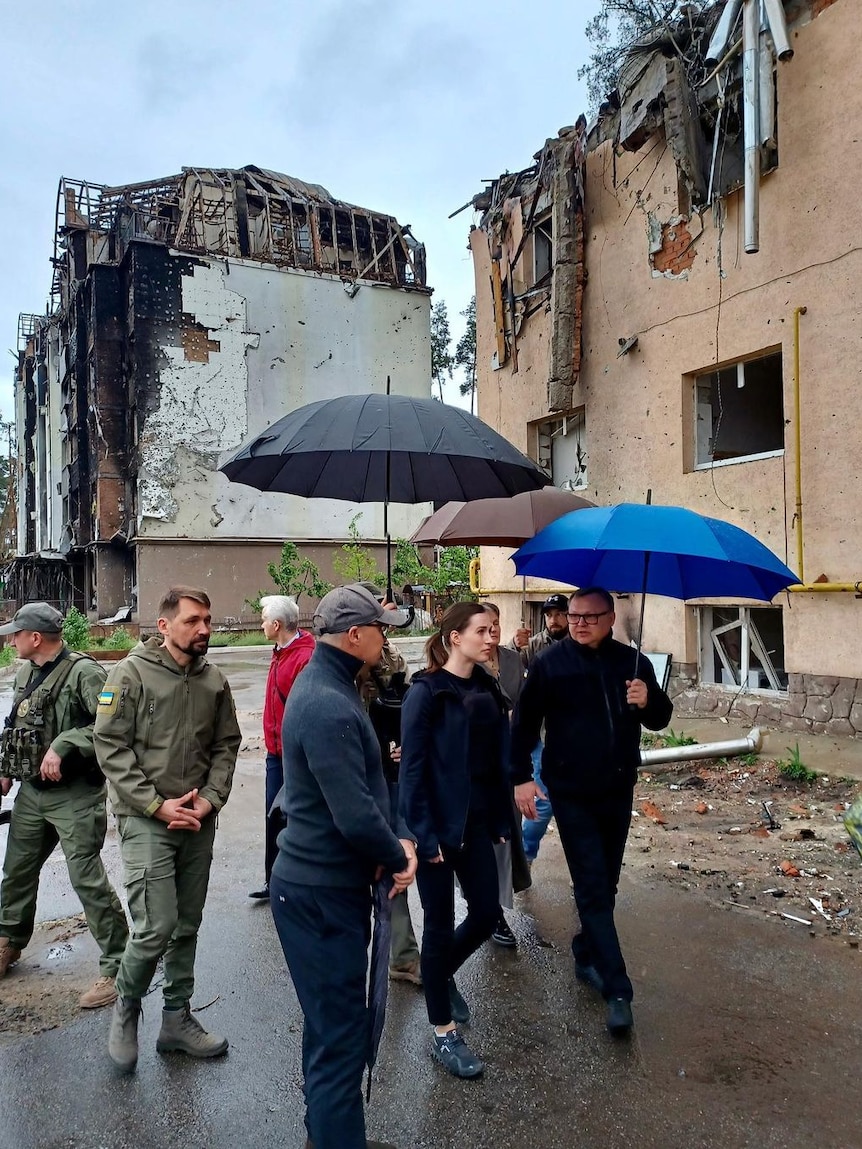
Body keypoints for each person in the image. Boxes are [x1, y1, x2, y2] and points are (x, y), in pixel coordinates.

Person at [270, 583, 417, 1149]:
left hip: (321, 888)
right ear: (355, 635)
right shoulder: (328, 702)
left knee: (330, 1028)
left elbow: (361, 789)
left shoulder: (332, 686)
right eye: (382, 629)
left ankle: (328, 1137)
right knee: (340, 1040)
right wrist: (396, 855)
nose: (387, 639)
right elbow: (353, 815)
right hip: (321, 894)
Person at [511, 587, 673, 1036]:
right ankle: (618, 989)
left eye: (588, 616)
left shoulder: (633, 662)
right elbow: (523, 723)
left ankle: (585, 949)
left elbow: (660, 719)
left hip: (617, 786)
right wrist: (521, 776)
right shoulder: (550, 663)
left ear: (610, 616)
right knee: (590, 881)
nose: (578, 622)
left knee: (607, 881)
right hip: (570, 789)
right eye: (573, 615)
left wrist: (649, 700)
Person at [94, 586, 241, 1071]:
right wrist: (155, 805)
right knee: (156, 925)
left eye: (208, 620)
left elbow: (226, 745)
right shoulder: (130, 674)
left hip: (197, 819)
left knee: (187, 924)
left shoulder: (213, 680)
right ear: (164, 626)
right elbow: (110, 746)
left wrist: (211, 800)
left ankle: (176, 1018)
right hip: (147, 820)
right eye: (193, 620)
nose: (204, 629)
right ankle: (127, 1006)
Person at [400, 602, 511, 1080]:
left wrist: (501, 816)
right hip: (438, 833)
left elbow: (493, 762)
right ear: (454, 638)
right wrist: (423, 835)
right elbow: (412, 771)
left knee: (487, 913)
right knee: (439, 925)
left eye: (494, 630)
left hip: (477, 825)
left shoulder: (487, 686)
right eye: (482, 631)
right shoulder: (427, 693)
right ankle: (443, 1032)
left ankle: (439, 973)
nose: (491, 639)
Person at [0, 602, 129, 1008]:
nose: (11, 638)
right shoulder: (25, 672)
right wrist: (4, 768)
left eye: (16, 633)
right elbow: (15, 724)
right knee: (16, 870)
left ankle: (119, 962)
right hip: (33, 793)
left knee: (86, 879)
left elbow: (113, 727)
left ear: (35, 638)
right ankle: (9, 940)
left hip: (75, 794)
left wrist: (63, 744)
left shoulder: (85, 673)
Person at [355, 586, 423, 988]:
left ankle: (402, 956)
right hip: (355, 777)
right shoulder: (340, 668)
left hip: (387, 775)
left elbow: (403, 703)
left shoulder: (390, 657)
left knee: (393, 861)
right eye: (382, 623)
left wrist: (403, 744)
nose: (387, 632)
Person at [249, 594, 315, 901]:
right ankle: (272, 881)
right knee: (272, 816)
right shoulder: (279, 652)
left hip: (296, 755)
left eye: (263, 619)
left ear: (276, 625)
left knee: (297, 818)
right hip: (275, 753)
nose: (261, 623)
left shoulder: (304, 657)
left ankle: (296, 882)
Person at [482, 602, 530, 949]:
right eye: (485, 626)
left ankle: (494, 905)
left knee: (506, 836)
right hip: (479, 767)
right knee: (485, 840)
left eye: (496, 624)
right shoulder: (466, 664)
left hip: (510, 761)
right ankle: (489, 911)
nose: (493, 631)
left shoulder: (514, 660)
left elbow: (527, 707)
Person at [509, 593, 571, 866]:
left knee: (572, 803)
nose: (553, 619)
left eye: (559, 613)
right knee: (543, 801)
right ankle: (526, 856)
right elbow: (502, 667)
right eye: (548, 614)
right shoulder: (534, 646)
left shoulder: (579, 644)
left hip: (571, 737)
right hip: (539, 734)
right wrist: (513, 645)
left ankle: (582, 865)